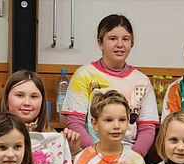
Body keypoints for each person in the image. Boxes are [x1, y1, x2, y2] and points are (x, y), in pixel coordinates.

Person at [61, 14, 158, 156]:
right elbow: (75, 123)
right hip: (90, 153)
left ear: (132, 43)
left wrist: (134, 158)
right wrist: (96, 155)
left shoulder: (141, 80)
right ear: (100, 43)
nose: (120, 44)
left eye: (125, 39)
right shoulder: (84, 75)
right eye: (112, 39)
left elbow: (147, 128)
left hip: (128, 155)